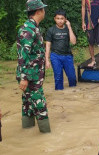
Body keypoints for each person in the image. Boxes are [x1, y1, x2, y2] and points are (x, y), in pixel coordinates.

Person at [16, 0, 51, 133]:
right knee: (39, 103)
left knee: (28, 102)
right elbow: (23, 55)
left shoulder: (33, 27)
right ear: (38, 11)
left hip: (33, 74)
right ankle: (46, 134)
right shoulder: (28, 29)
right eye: (43, 9)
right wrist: (24, 77)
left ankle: (27, 129)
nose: (44, 12)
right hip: (30, 75)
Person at [45, 9, 77, 90]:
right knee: (58, 78)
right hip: (55, 56)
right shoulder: (51, 30)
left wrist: (69, 27)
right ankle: (59, 95)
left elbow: (73, 42)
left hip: (67, 56)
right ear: (54, 19)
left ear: (65, 19)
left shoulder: (68, 29)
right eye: (58, 18)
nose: (60, 21)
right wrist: (47, 60)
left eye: (62, 18)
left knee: (72, 78)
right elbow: (48, 45)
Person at [81, 0, 99, 67]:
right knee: (91, 41)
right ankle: (93, 60)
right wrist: (83, 22)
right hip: (89, 21)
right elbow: (83, 7)